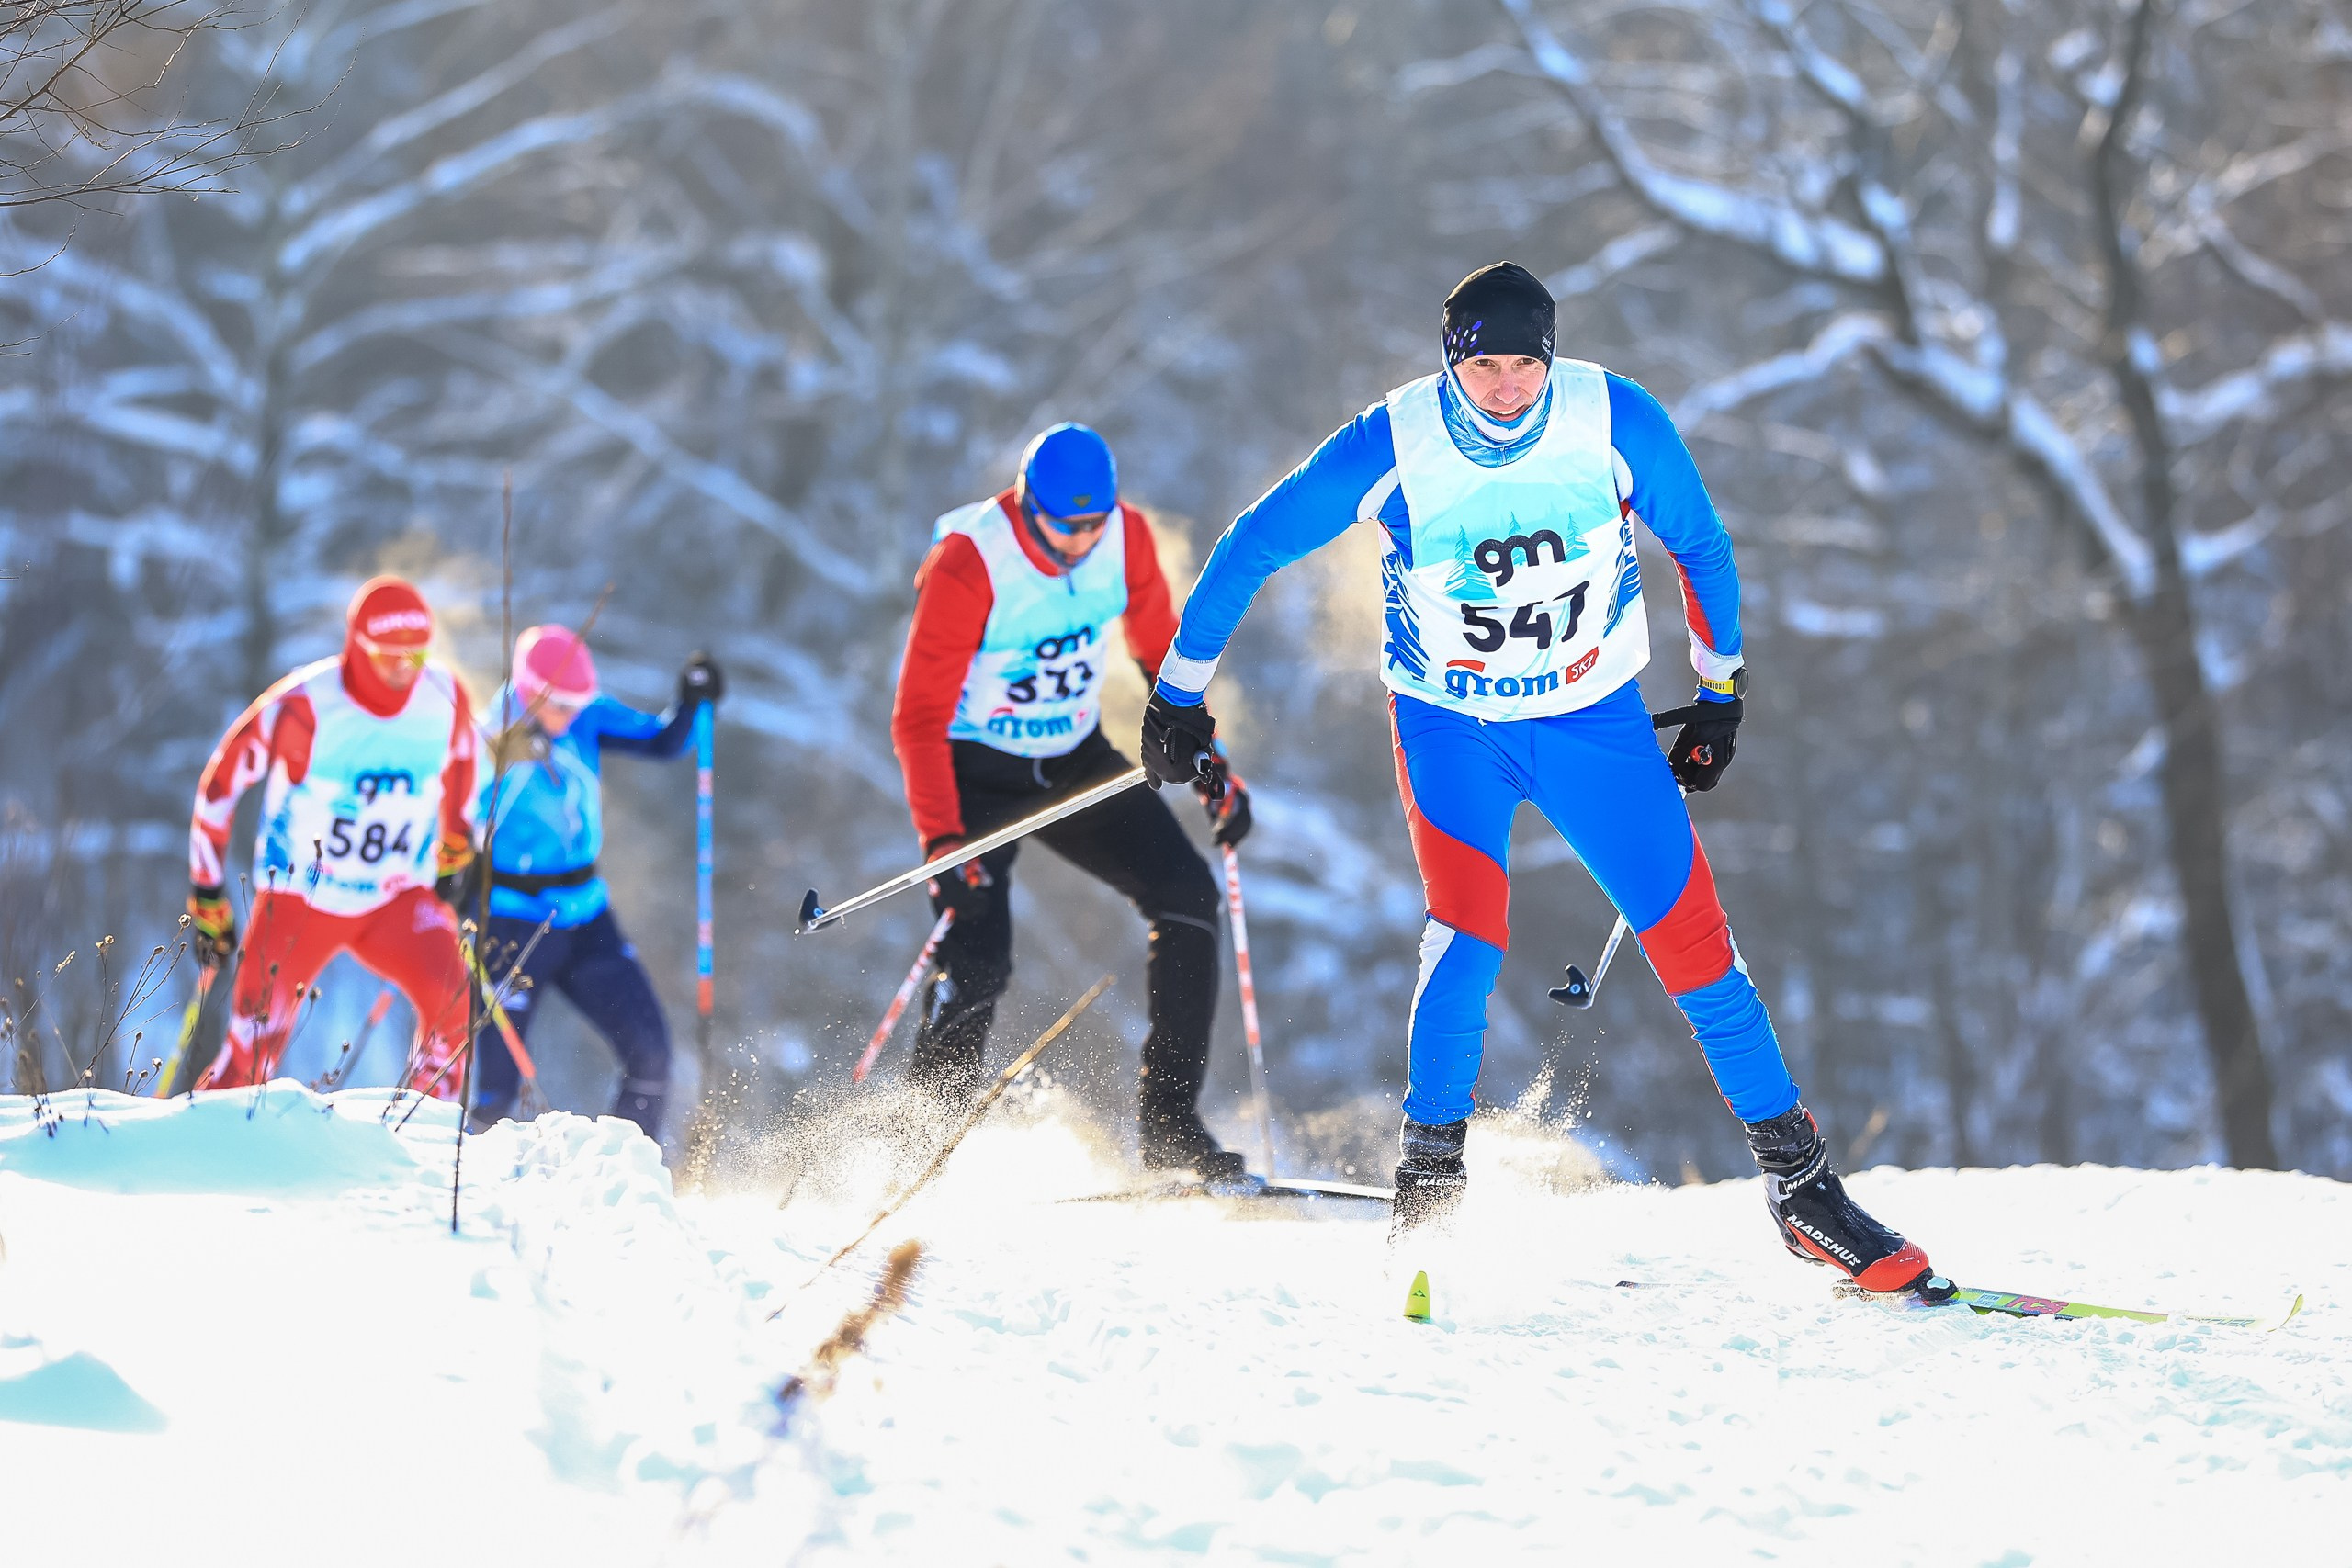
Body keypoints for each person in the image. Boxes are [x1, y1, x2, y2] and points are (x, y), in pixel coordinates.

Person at [1137, 263, 1933, 1292]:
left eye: (1524, 364)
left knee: (1693, 941)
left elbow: (1698, 542)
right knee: (1467, 937)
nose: (1506, 387)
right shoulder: (1394, 442)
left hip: (1590, 720)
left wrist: (1720, 690)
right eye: (1484, 365)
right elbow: (1250, 547)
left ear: (1550, 359)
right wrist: (1178, 696)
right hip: (1451, 726)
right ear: (1450, 359)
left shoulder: (1615, 420)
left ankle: (1803, 1190)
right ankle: (1427, 1195)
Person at [892, 423, 1255, 1179]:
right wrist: (941, 844)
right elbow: (918, 716)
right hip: (973, 772)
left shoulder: (1124, 537)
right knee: (980, 955)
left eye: (1096, 523)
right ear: (1028, 508)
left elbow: (1162, 657)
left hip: (1070, 756)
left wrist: (1212, 763)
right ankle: (914, 1157)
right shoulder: (970, 563)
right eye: (1067, 526)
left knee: (1189, 896)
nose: (1084, 541)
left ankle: (1170, 1129)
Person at [187, 576, 480, 1094]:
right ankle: (199, 1161)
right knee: (249, 1057)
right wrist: (208, 894)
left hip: (394, 899)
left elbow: (464, 765)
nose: (403, 671)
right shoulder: (303, 705)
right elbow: (219, 787)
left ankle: (427, 1144)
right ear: (357, 647)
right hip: (302, 902)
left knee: (455, 1009)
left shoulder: (443, 695)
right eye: (389, 657)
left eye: (415, 656)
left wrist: (458, 849)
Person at [467, 627, 722, 1138]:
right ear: (529, 689)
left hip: (584, 916)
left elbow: (662, 740)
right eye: (560, 705)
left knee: (651, 1052)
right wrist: (505, 757)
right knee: (496, 1088)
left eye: (578, 704)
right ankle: (476, 1201)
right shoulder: (487, 736)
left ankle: (621, 1174)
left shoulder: (583, 714)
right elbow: (454, 815)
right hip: (510, 920)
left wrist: (692, 703)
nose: (570, 716)